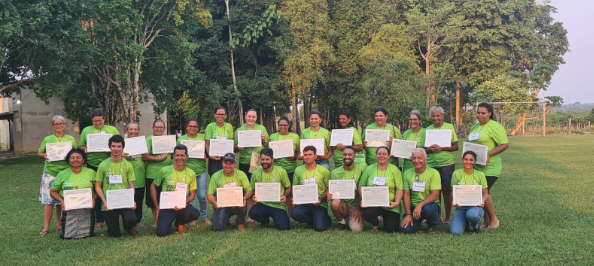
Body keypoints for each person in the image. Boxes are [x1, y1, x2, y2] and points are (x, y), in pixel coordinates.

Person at [78, 108, 120, 230]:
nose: (97, 123)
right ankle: (99, 220)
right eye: (95, 121)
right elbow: (80, 146)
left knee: (110, 189)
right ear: (92, 120)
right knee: (96, 192)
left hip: (110, 165)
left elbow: (120, 143)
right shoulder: (86, 130)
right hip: (92, 165)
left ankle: (113, 217)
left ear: (104, 119)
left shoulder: (111, 130)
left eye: (99, 121)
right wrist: (85, 149)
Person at [469, 102, 509, 229]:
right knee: (481, 192)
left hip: (490, 167)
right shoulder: (474, 127)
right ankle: (486, 221)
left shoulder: (495, 126)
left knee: (482, 192)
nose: (480, 115)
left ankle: (494, 219)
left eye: (483, 113)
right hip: (476, 167)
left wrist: (488, 155)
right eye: (478, 112)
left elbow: (504, 144)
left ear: (490, 113)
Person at [37, 115, 78, 236]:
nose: (59, 125)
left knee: (61, 200)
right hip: (50, 172)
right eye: (56, 124)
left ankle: (59, 224)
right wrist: (44, 156)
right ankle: (46, 227)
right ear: (53, 126)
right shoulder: (48, 139)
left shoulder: (70, 139)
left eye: (61, 123)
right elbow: (40, 152)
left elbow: (75, 153)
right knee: (48, 201)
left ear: (64, 125)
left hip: (65, 172)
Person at [94, 135, 140, 237]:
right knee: (114, 234)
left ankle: (128, 227)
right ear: (109, 147)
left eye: (119, 146)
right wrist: (104, 201)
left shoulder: (128, 165)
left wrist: (131, 200)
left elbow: (131, 185)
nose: (116, 149)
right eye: (113, 146)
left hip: (124, 200)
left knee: (132, 219)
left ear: (123, 147)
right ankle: (113, 228)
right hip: (109, 203)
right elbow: (97, 186)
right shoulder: (103, 165)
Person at [151, 145, 200, 236]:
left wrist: (185, 202)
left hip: (182, 206)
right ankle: (168, 221)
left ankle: (179, 223)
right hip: (167, 207)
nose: (179, 158)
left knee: (195, 213)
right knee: (162, 233)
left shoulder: (191, 173)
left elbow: (193, 194)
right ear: (173, 156)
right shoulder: (164, 170)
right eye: (177, 155)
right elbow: (153, 186)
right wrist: (157, 206)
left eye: (182, 155)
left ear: (187, 157)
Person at [49, 148, 96, 239]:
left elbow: (99, 188)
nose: (75, 160)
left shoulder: (91, 173)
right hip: (69, 206)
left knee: (87, 233)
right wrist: (61, 201)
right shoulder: (62, 174)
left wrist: (94, 198)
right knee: (67, 235)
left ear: (83, 160)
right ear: (68, 161)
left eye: (78, 157)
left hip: (87, 206)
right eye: (72, 158)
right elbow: (53, 192)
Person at [234, 109, 269, 222]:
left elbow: (267, 145)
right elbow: (234, 149)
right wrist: (238, 147)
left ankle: (259, 211)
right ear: (245, 116)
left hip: (259, 161)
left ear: (256, 118)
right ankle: (250, 214)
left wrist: (264, 140)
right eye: (249, 116)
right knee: (248, 187)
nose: (251, 119)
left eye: (253, 117)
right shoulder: (240, 130)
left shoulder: (261, 128)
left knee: (258, 187)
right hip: (245, 161)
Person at [426, 106, 459, 225]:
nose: (435, 118)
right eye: (433, 116)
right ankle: (438, 216)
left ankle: (448, 217)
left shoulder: (449, 127)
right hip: (431, 164)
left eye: (438, 115)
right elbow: (424, 149)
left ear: (443, 116)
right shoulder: (428, 129)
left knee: (446, 190)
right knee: (435, 191)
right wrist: (429, 149)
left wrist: (442, 148)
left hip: (446, 164)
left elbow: (456, 146)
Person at [358, 146, 404, 233]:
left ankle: (387, 220)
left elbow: (399, 188)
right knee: (367, 213)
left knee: (391, 229)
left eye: (384, 154)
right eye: (379, 154)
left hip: (390, 204)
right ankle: (375, 223)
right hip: (373, 203)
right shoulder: (369, 169)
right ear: (376, 155)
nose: (381, 156)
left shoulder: (395, 170)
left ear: (389, 156)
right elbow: (361, 185)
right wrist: (364, 199)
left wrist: (397, 202)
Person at [176, 119, 211, 226]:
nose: (192, 128)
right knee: (190, 196)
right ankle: (192, 218)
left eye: (195, 126)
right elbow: (178, 156)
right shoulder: (181, 140)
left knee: (202, 196)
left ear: (198, 128)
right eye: (190, 126)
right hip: (186, 173)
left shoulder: (202, 138)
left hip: (200, 171)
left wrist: (205, 156)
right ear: (186, 127)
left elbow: (208, 152)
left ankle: (204, 217)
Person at [248, 148, 292, 230]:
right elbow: (253, 190)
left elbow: (288, 188)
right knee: (253, 213)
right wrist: (254, 196)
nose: (265, 162)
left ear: (272, 159)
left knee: (284, 227)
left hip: (278, 205)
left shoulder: (281, 172)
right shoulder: (255, 173)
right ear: (260, 160)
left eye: (267, 159)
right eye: (263, 159)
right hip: (263, 203)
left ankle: (278, 218)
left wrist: (285, 196)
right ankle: (265, 220)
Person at [207, 153, 253, 231]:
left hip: (237, 204)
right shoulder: (216, 176)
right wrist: (215, 203)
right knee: (217, 228)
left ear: (235, 164)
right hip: (223, 205)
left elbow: (249, 190)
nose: (228, 166)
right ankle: (226, 220)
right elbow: (209, 194)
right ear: (222, 163)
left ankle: (240, 222)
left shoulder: (241, 174)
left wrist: (244, 197)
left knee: (242, 204)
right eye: (226, 163)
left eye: (231, 163)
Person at [291, 146, 331, 232]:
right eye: (305, 155)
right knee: (295, 214)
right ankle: (311, 220)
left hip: (319, 204)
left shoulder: (324, 171)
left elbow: (329, 188)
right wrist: (296, 199)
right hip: (304, 203)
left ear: (315, 156)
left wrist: (321, 198)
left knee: (319, 228)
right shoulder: (298, 170)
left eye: (310, 154)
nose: (307, 157)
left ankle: (325, 219)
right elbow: (295, 187)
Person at [401, 148, 441, 234]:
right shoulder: (407, 173)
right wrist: (408, 214)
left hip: (429, 206)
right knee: (406, 230)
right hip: (413, 207)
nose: (416, 161)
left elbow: (435, 195)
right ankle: (417, 222)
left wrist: (420, 205)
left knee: (428, 210)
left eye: (419, 158)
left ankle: (432, 225)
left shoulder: (434, 173)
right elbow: (406, 195)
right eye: (414, 158)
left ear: (426, 160)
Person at [450, 151, 489, 235]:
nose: (468, 162)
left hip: (475, 206)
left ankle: (475, 225)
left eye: (471, 160)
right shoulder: (456, 174)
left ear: (475, 162)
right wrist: (454, 200)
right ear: (462, 160)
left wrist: (482, 200)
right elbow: (453, 191)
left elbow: (486, 193)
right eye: (466, 159)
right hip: (461, 207)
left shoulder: (480, 174)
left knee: (473, 215)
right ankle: (465, 223)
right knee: (455, 232)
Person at [328, 146, 366, 231]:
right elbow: (333, 191)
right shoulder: (335, 172)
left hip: (356, 205)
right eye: (345, 154)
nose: (347, 157)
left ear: (355, 157)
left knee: (356, 229)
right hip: (343, 204)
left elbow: (364, 189)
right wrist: (331, 196)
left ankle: (356, 216)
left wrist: (357, 209)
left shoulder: (362, 167)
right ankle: (342, 222)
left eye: (350, 154)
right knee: (335, 203)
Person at [143, 119, 172, 228]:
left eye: (161, 127)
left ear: (164, 129)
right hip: (152, 173)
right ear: (153, 128)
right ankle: (155, 221)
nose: (159, 129)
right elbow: (144, 156)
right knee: (153, 200)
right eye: (157, 127)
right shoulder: (149, 139)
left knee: (165, 197)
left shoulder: (168, 140)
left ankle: (165, 219)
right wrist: (160, 159)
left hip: (167, 173)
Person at [269, 116, 300, 217]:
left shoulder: (295, 137)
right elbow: (269, 152)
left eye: (285, 125)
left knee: (289, 192)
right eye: (281, 125)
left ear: (289, 125)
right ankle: (277, 213)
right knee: (277, 191)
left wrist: (294, 157)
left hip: (290, 169)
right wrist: (273, 157)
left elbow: (299, 152)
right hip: (276, 169)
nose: (283, 127)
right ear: (278, 125)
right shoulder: (273, 136)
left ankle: (291, 215)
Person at [123, 122, 147, 227]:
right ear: (127, 130)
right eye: (131, 129)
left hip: (139, 174)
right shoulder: (122, 143)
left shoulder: (143, 142)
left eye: (135, 129)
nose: (133, 131)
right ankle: (126, 219)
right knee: (126, 198)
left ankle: (137, 220)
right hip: (125, 176)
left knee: (139, 199)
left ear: (138, 131)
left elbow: (146, 156)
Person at [205, 106, 234, 176]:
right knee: (215, 178)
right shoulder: (210, 126)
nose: (220, 116)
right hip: (214, 158)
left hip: (227, 159)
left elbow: (230, 143)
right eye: (218, 114)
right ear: (215, 115)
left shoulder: (229, 126)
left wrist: (232, 154)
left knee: (227, 178)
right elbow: (207, 143)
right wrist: (210, 155)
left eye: (222, 114)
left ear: (225, 116)